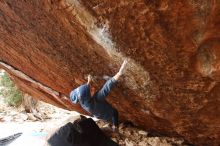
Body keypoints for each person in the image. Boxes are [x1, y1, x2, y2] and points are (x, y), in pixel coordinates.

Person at [69, 60, 128, 132]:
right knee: (115, 112)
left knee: (107, 119)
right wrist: (119, 73)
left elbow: (84, 92)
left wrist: (88, 81)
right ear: (88, 96)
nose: (93, 88)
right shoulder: (97, 98)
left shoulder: (83, 101)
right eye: (91, 90)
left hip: (99, 115)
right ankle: (115, 128)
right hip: (107, 113)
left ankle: (111, 125)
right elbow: (107, 87)